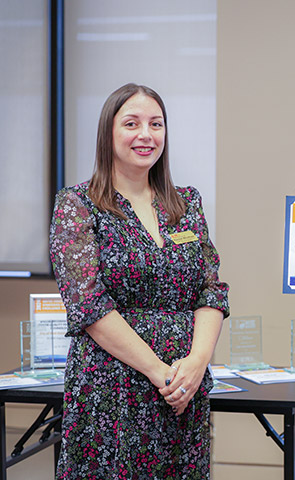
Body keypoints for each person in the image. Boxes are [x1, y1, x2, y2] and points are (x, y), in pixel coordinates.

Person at [49, 83, 229, 479]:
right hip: (112, 389)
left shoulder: (186, 204)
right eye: (131, 123)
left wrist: (196, 365)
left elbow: (211, 292)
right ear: (108, 133)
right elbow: (89, 305)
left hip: (183, 391)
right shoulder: (78, 205)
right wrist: (159, 372)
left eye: (156, 124)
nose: (146, 135)